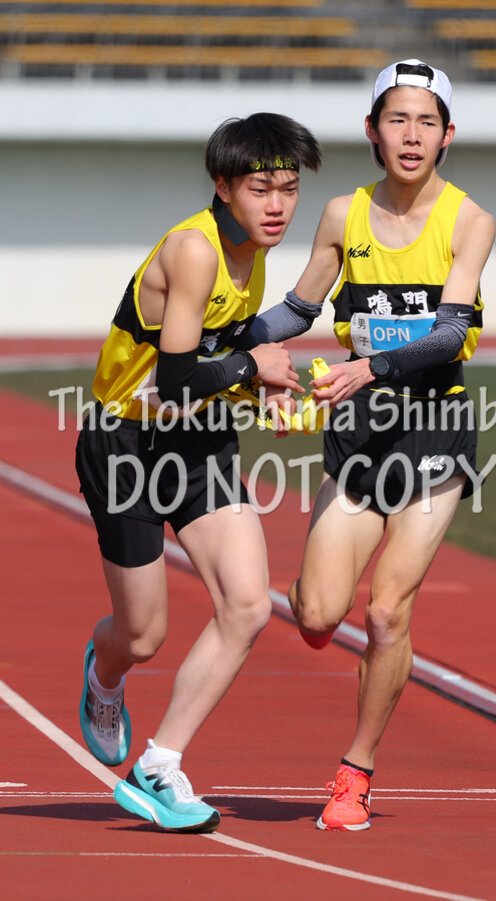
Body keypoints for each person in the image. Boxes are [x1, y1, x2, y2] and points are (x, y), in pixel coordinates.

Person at [241, 59, 495, 831]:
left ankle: (356, 772)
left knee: (387, 610)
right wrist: (226, 341)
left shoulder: (468, 220)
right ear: (372, 131)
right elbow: (298, 308)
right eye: (397, 119)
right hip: (357, 437)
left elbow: (449, 332)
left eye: (427, 121)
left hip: (434, 431)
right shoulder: (341, 214)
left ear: (447, 135)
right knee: (318, 615)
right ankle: (316, 603)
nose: (411, 135)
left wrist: (371, 365)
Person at [75, 112, 321, 833]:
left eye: (288, 189)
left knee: (247, 604)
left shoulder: (253, 251)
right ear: (223, 186)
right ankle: (105, 674)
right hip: (126, 445)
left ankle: (159, 765)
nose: (277, 206)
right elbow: (176, 380)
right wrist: (253, 366)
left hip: (199, 443)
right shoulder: (194, 250)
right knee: (142, 635)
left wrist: (261, 388)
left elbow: (223, 347)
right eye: (260, 189)